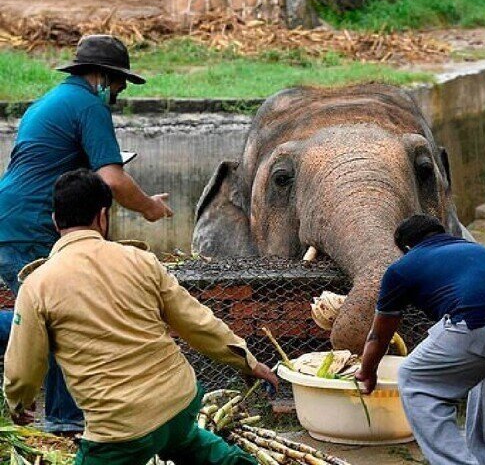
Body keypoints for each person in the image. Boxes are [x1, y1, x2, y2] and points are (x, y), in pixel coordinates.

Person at [3, 170, 278, 464]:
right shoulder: (141, 261)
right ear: (102, 216)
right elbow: (197, 321)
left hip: (120, 429)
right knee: (188, 442)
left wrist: (18, 402)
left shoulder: (37, 285)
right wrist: (247, 361)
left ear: (56, 220)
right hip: (178, 400)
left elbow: (23, 367)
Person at [0, 34, 174, 434]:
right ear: (100, 77)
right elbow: (112, 179)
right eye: (118, 83)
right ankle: (65, 423)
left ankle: (65, 420)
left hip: (14, 218)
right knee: (59, 318)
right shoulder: (88, 106)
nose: (120, 91)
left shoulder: (50, 102)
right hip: (33, 223)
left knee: (58, 315)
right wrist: (149, 207)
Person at [354, 214, 485, 465]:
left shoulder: (403, 267)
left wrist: (367, 371)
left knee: (415, 378)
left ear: (406, 248)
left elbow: (379, 334)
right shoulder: (475, 250)